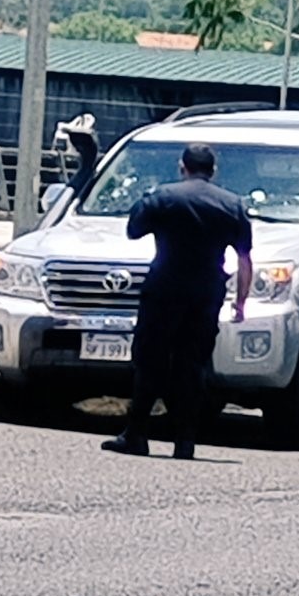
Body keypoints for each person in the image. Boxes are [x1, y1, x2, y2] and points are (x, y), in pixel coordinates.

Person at [101, 143, 253, 460]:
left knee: (149, 361)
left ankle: (136, 433)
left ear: (182, 166)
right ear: (213, 171)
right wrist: (240, 303)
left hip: (164, 288)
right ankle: (185, 441)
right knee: (192, 365)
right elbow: (244, 259)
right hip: (206, 291)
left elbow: (133, 230)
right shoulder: (232, 204)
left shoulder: (163, 196)